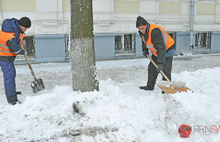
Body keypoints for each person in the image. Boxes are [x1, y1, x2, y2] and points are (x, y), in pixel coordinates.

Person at [136, 16, 175, 92]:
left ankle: (166, 90)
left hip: (167, 50)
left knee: (165, 70)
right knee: (152, 69)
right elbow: (144, 41)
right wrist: (145, 49)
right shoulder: (142, 32)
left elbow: (161, 47)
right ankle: (149, 86)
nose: (141, 31)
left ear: (146, 25)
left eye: (142, 28)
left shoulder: (154, 31)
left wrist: (160, 63)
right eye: (139, 29)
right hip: (157, 52)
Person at [0, 17, 31, 105]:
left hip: (6, 57)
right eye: (26, 28)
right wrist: (22, 51)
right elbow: (13, 48)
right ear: (22, 26)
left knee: (12, 74)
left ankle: (11, 91)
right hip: (3, 56)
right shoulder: (12, 34)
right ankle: (11, 98)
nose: (26, 30)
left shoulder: (14, 29)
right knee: (9, 76)